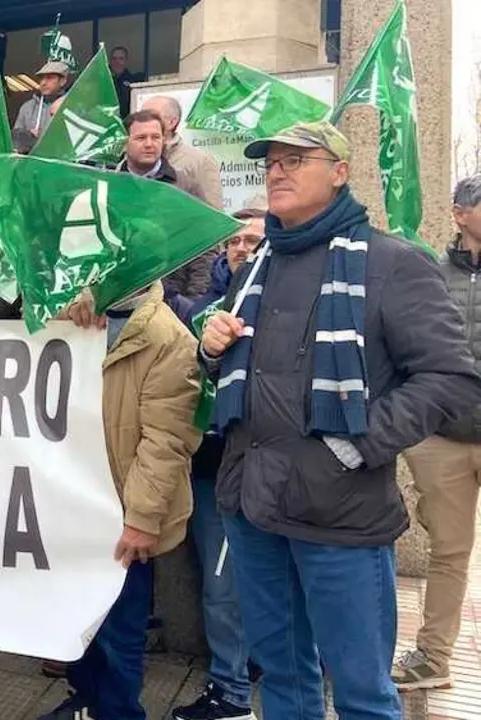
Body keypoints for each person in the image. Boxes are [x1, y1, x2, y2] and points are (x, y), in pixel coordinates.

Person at [198, 122, 481, 719]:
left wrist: (356, 448)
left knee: (362, 693)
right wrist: (211, 346)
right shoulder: (256, 266)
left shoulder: (394, 262)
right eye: (271, 161)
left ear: (340, 172)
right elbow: (239, 368)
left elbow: (448, 378)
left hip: (340, 512)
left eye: (296, 160)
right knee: (282, 678)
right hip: (251, 505)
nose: (277, 170)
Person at [41, 283, 203, 720]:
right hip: (73, 503)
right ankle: (85, 700)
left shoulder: (169, 339)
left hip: (122, 512)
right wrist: (66, 316)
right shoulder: (78, 316)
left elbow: (166, 441)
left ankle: (117, 712)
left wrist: (143, 518)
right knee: (76, 618)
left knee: (119, 629)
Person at [168, 204, 266, 720]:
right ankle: (230, 689)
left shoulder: (284, 305)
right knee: (220, 586)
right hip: (210, 469)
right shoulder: (199, 307)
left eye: (253, 240)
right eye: (235, 241)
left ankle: (241, 688)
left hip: (265, 470)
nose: (242, 248)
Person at [393, 174, 481, 691]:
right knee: (449, 553)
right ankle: (433, 658)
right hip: (442, 438)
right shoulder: (432, 275)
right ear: (460, 214)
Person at [118, 109, 212, 302]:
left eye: (156, 137)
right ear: (124, 142)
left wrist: (195, 300)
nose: (149, 144)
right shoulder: (109, 186)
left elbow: (204, 246)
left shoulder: (185, 186)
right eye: (141, 138)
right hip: (118, 301)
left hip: (171, 300)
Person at [141, 96, 224, 210]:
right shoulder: (129, 160)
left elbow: (214, 215)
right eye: (141, 117)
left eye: (152, 117)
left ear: (172, 122)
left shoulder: (198, 161)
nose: (144, 122)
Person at [13, 61, 69, 144]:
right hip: (32, 156)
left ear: (62, 81)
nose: (43, 83)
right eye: (41, 78)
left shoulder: (70, 106)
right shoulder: (27, 107)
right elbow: (15, 141)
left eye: (50, 78)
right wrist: (27, 136)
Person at [109, 46, 143, 118]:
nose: (117, 62)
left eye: (121, 59)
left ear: (126, 61)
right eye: (114, 59)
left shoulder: (133, 81)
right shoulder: (105, 80)